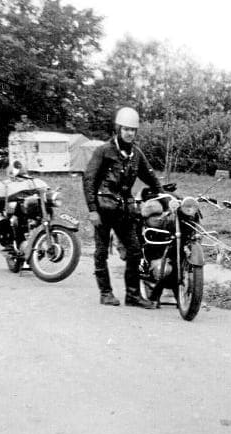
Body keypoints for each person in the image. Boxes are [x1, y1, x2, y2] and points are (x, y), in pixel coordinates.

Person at [83, 107, 162, 308]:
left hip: (124, 210)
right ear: (118, 129)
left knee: (135, 251)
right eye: (126, 129)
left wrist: (162, 194)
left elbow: (150, 176)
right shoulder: (104, 150)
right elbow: (89, 180)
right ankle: (106, 293)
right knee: (101, 251)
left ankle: (133, 296)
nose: (130, 133)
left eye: (133, 130)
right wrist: (92, 209)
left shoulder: (136, 153)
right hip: (103, 209)